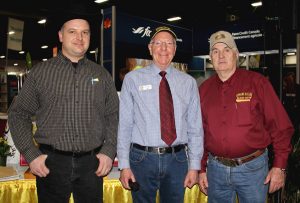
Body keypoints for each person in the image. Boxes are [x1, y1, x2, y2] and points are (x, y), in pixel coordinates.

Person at [8, 12, 119, 203]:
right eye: (73, 32)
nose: (80, 38)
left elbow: (113, 115)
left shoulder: (102, 75)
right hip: (51, 164)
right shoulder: (40, 73)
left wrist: (109, 151)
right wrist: (31, 154)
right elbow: (19, 114)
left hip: (92, 164)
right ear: (61, 36)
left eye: (85, 32)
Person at [198, 30, 294, 203]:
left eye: (226, 50)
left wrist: (279, 166)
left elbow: (280, 126)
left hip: (253, 170)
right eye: (215, 51)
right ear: (210, 57)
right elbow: (200, 133)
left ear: (236, 55)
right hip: (216, 171)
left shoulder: (257, 83)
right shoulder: (203, 90)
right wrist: (201, 169)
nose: (221, 55)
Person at [117, 26, 204, 203]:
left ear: (175, 49)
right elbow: (124, 124)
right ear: (150, 48)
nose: (163, 48)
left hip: (177, 160)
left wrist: (195, 166)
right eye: (158, 43)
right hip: (141, 159)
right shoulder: (132, 80)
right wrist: (124, 165)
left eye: (169, 44)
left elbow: (196, 128)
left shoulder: (188, 83)